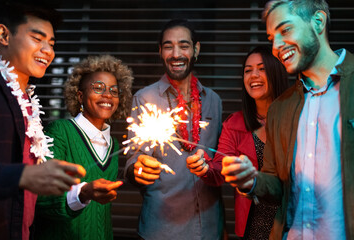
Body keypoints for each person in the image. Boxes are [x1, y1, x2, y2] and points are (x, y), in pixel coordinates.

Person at [221, 0, 354, 239]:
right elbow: (275, 185)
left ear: (318, 22)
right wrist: (251, 180)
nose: (277, 46)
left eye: (286, 30)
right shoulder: (280, 109)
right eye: (272, 38)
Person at [124, 19, 224, 240]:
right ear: (160, 51)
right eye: (168, 46)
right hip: (161, 229)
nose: (176, 54)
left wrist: (222, 226)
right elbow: (133, 159)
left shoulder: (214, 101)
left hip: (210, 228)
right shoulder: (144, 98)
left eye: (184, 45)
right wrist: (137, 168)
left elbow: (218, 165)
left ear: (196, 49)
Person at [0, 1, 86, 239]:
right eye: (37, 38)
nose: (48, 51)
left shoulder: (27, 101)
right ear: (3, 35)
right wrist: (22, 176)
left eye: (51, 43)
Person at [34, 55, 133, 240]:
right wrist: (83, 192)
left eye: (114, 91)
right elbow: (41, 197)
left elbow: (102, 215)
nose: (107, 95)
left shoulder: (114, 146)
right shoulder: (59, 132)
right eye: (98, 88)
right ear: (80, 95)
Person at [197, 46, 289, 239]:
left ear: (277, 72)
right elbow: (218, 171)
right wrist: (203, 167)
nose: (253, 75)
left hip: (291, 224)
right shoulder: (235, 124)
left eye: (262, 68)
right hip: (252, 227)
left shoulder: (296, 117)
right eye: (248, 70)